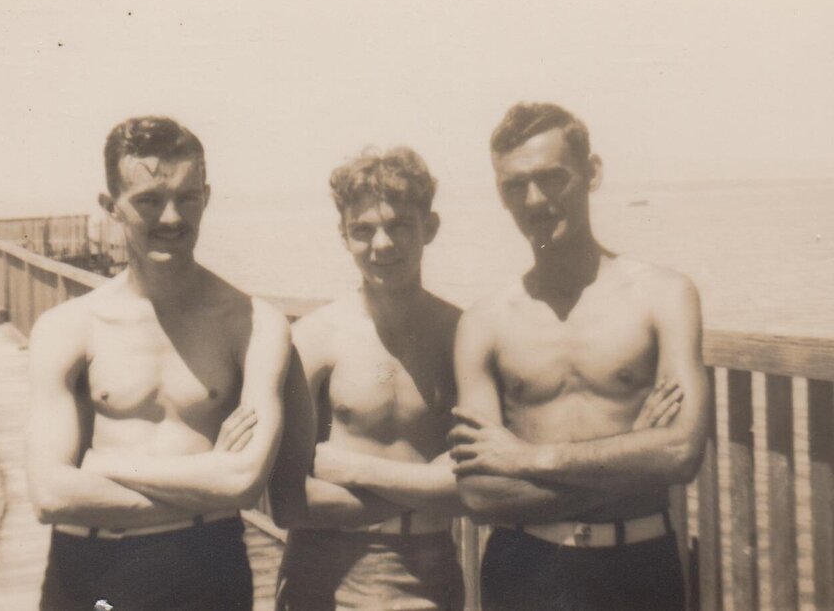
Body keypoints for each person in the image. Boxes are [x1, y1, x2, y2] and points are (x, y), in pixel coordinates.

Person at [449, 102, 709, 610]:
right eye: (514, 186)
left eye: (552, 177)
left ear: (591, 173)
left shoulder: (664, 295)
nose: (536, 200)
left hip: (639, 567)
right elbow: (479, 494)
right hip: (525, 569)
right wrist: (634, 455)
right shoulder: (484, 322)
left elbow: (681, 453)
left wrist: (530, 458)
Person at [25, 116, 291, 610]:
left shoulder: (253, 323)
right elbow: (49, 493)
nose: (171, 218)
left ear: (206, 198)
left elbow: (244, 481)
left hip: (206, 565)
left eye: (187, 197)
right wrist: (208, 475)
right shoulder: (68, 328)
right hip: (90, 568)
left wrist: (102, 464)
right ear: (111, 208)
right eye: (148, 200)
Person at [269, 147, 466, 610]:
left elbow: (480, 489)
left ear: (429, 227)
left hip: (430, 570)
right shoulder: (313, 340)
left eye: (398, 224)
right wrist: (429, 489)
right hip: (325, 570)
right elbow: (288, 503)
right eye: (363, 230)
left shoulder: (461, 336)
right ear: (343, 235)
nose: (382, 244)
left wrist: (358, 471)